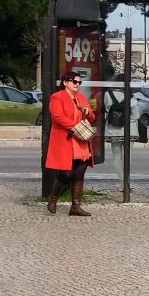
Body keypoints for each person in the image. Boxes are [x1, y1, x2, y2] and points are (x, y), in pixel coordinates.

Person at [44, 71, 97, 216]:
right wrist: (75, 127)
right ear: (65, 82)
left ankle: (76, 206)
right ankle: (53, 197)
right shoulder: (57, 97)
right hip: (66, 139)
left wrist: (87, 112)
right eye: (75, 82)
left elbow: (92, 117)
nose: (77, 84)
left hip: (81, 140)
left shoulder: (81, 97)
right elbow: (58, 117)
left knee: (80, 171)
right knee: (66, 174)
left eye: (79, 82)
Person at [103, 74, 141, 186]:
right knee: (127, 156)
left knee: (116, 157)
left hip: (113, 128)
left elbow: (106, 109)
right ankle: (126, 181)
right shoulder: (131, 97)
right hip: (129, 129)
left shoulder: (107, 94)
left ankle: (122, 181)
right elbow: (135, 115)